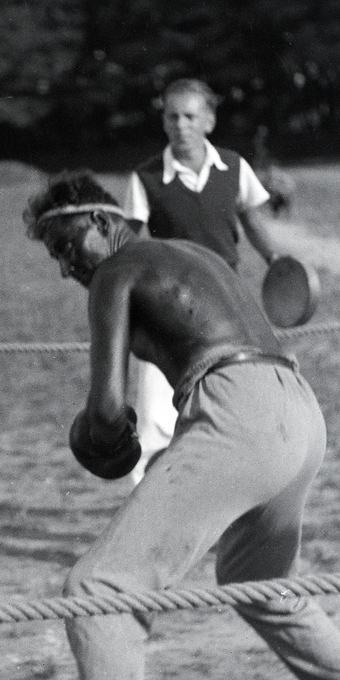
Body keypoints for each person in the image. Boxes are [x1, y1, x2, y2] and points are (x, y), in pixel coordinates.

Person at [12, 172, 340, 680]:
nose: (66, 262)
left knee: (101, 585)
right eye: (53, 253)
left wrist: (97, 437)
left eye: (66, 240)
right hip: (298, 408)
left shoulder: (118, 272)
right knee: (257, 582)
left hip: (239, 411)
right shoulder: (194, 255)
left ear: (106, 222)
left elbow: (107, 413)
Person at [123, 79, 284, 482]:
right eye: (172, 116)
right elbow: (127, 243)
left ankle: (232, 492)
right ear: (163, 122)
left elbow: (254, 221)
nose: (181, 125)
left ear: (209, 121)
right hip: (167, 308)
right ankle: (150, 505)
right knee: (157, 417)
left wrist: (278, 262)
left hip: (228, 305)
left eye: (190, 116)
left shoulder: (233, 167)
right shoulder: (144, 179)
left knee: (233, 400)